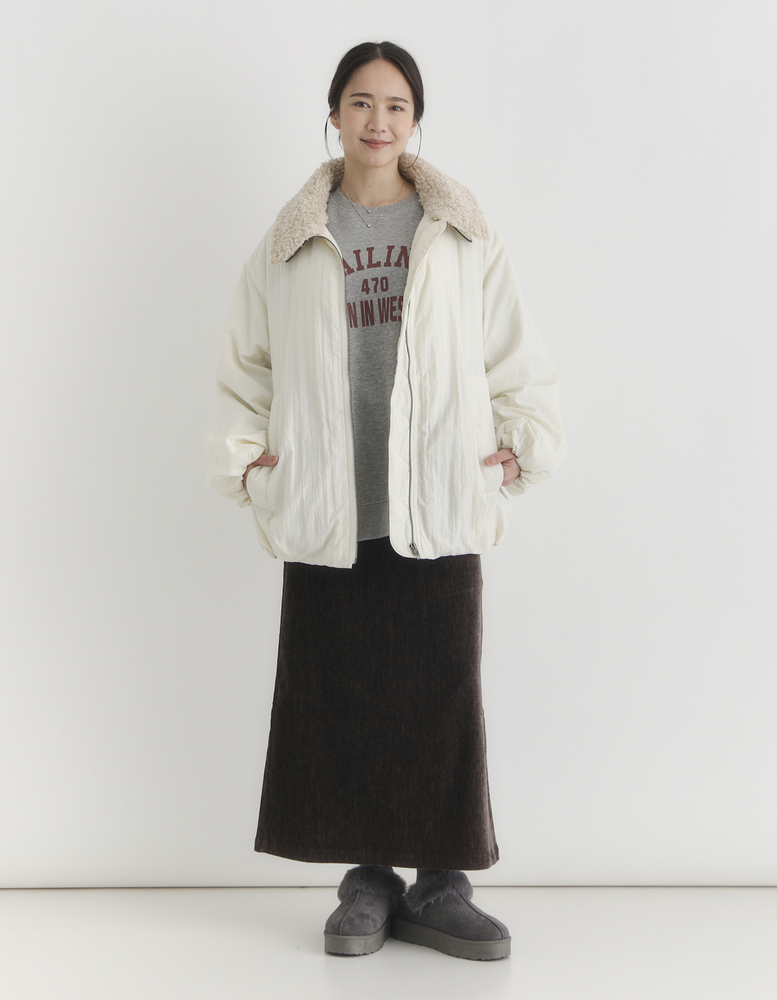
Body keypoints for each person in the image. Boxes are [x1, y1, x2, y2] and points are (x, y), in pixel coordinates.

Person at [206, 41, 566, 962]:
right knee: (341, 695)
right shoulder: (292, 238)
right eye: (360, 103)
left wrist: (518, 447)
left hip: (435, 497)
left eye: (396, 105)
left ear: (415, 121)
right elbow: (247, 363)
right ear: (333, 115)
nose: (378, 121)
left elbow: (512, 352)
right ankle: (367, 880)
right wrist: (250, 466)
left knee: (443, 694)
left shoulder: (459, 232)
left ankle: (441, 884)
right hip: (329, 501)